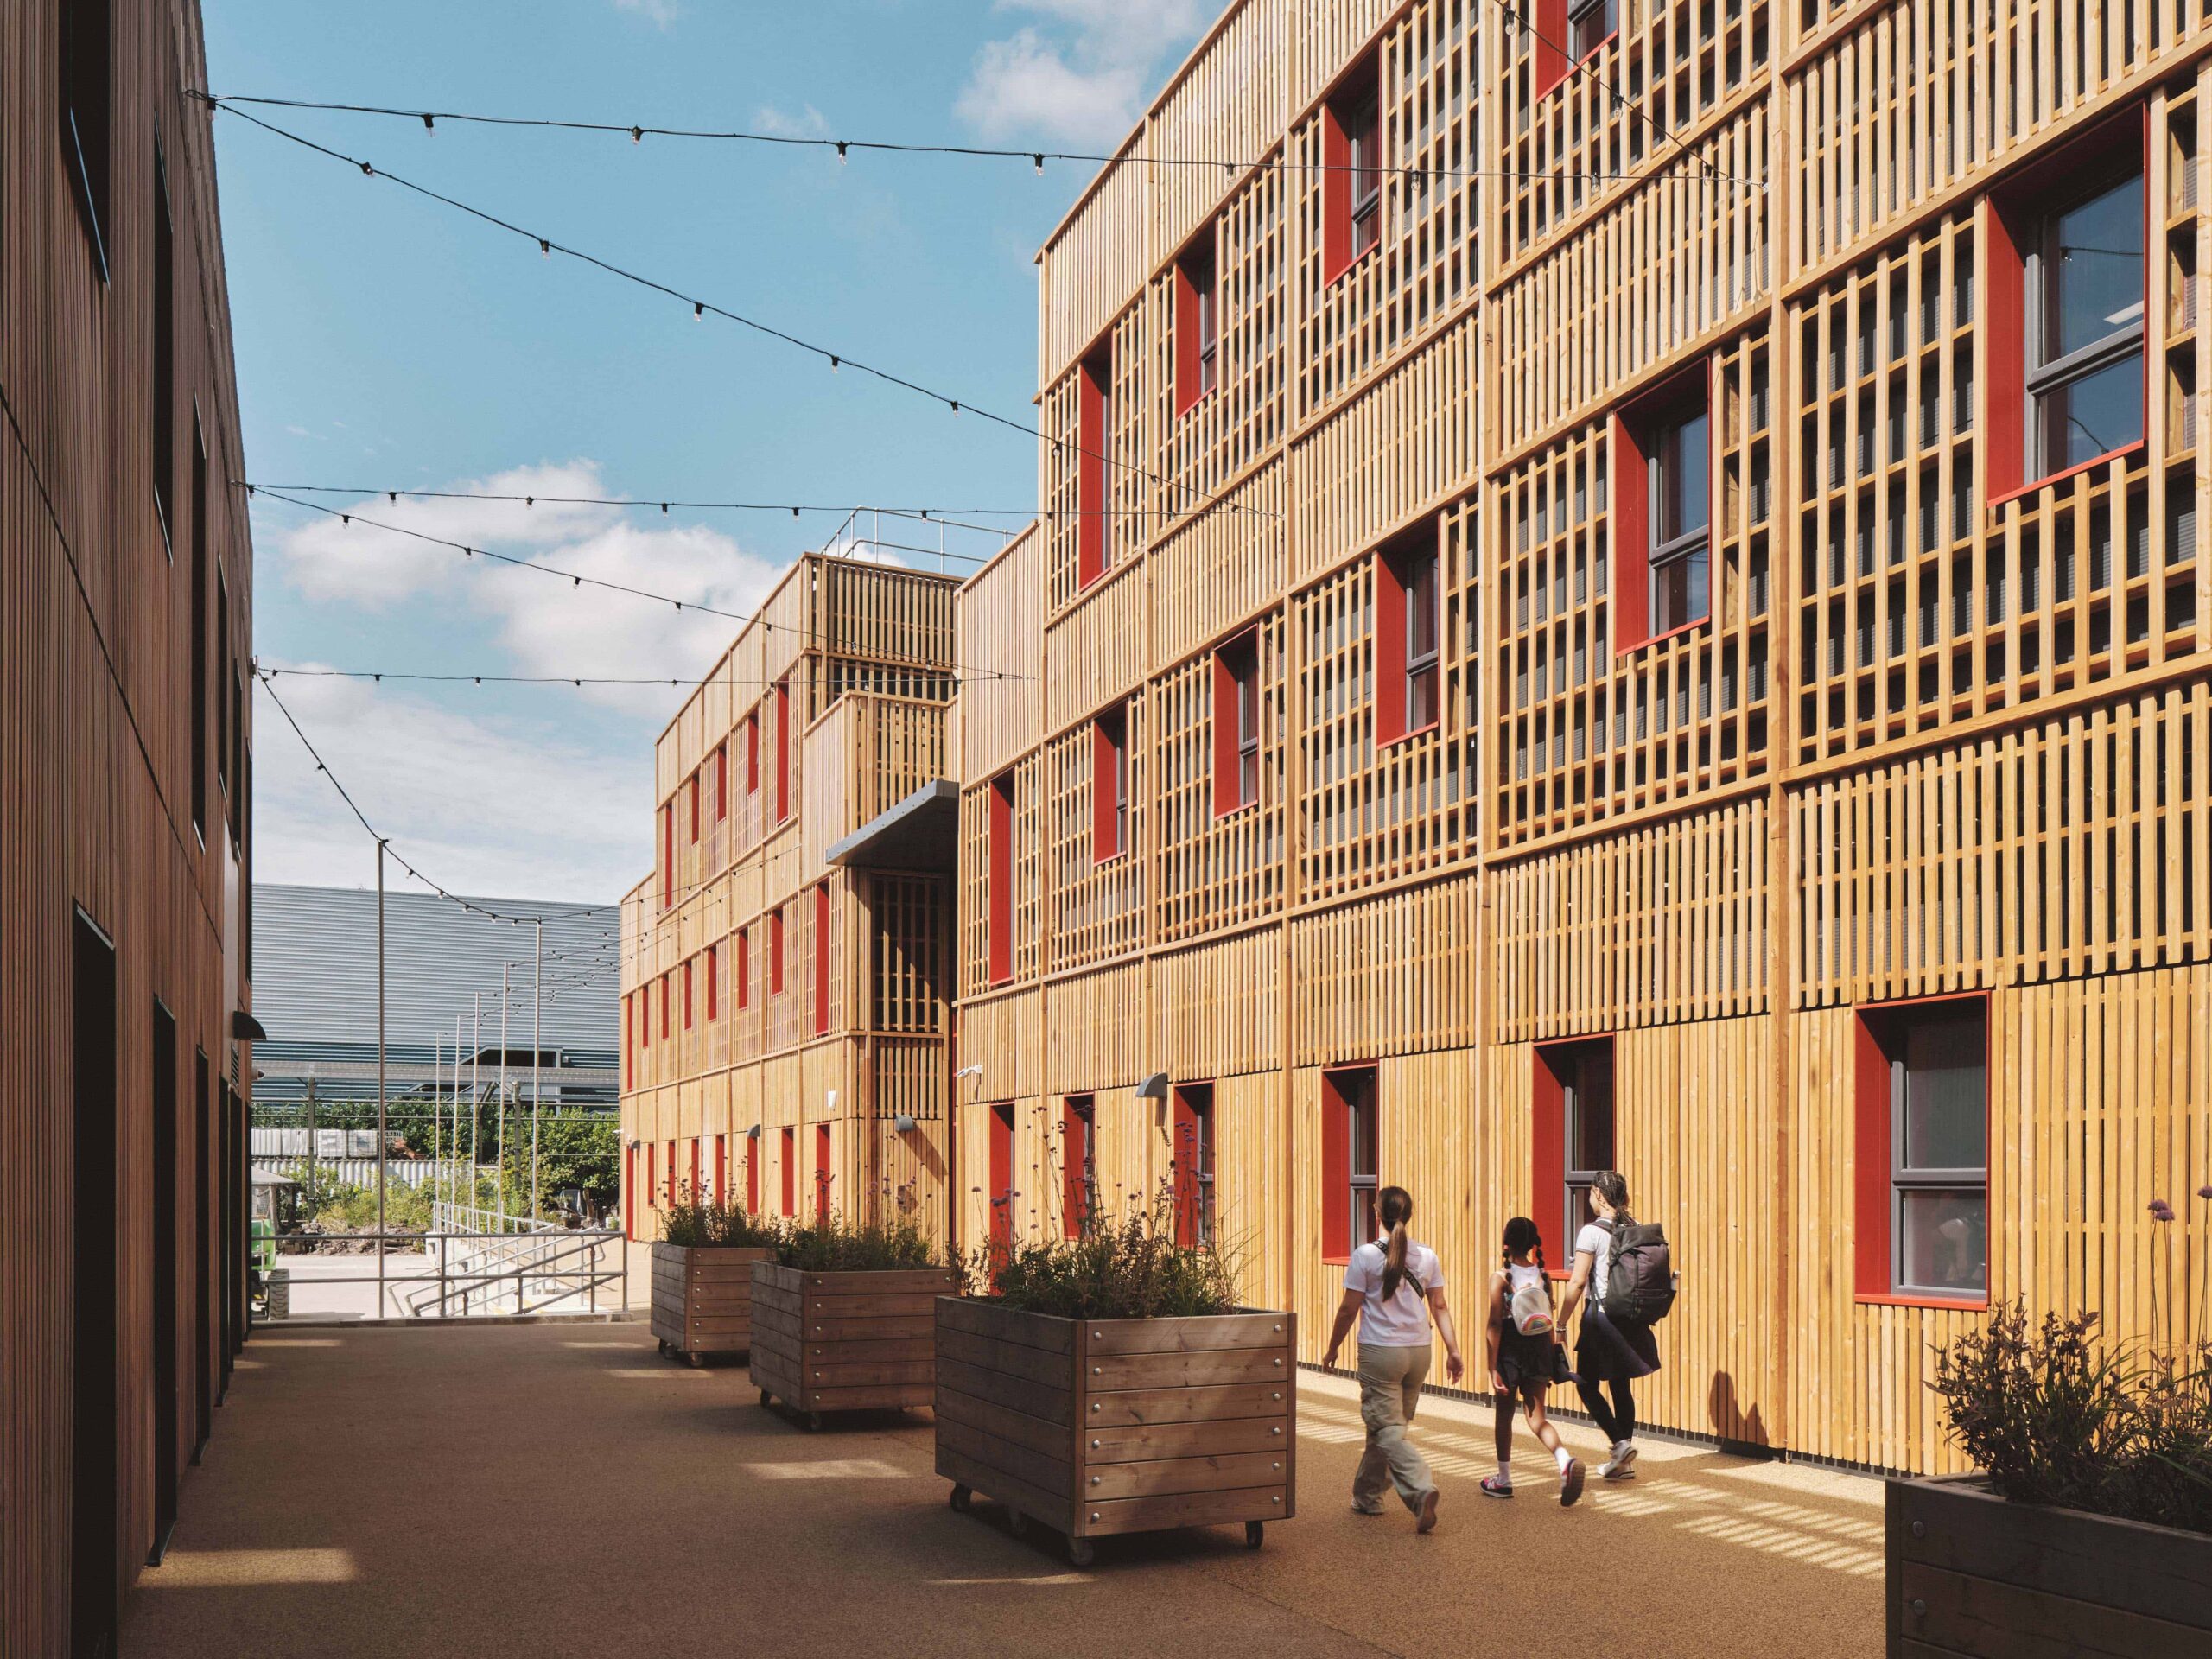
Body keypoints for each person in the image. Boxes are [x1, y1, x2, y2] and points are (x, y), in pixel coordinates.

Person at [1320, 1186, 1465, 1533]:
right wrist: (1453, 1350)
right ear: (1409, 1215)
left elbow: (1348, 1308)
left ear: (1376, 1214)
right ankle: (1367, 1496)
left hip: (1381, 1353)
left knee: (1387, 1430)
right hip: (1419, 1351)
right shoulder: (1427, 1256)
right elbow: (1439, 1305)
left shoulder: (1365, 1256)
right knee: (1389, 1428)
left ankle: (1420, 1488)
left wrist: (1332, 1347)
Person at [1554, 1170, 1660, 1479]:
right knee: (1620, 1385)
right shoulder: (1635, 1227)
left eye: (1591, 1192)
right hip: (1630, 1317)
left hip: (1601, 1319)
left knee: (1586, 1384)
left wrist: (1561, 1323)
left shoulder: (1591, 1232)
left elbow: (1577, 1282)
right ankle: (1623, 1464)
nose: (1590, 1197)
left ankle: (1620, 1445)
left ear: (1599, 1194)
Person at [1479, 1216, 1584, 1504]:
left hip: (1510, 1350)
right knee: (1537, 1418)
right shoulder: (1544, 1277)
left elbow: (1495, 1325)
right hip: (1539, 1349)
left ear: (1506, 1243)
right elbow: (1547, 1318)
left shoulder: (1500, 1278)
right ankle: (1564, 1460)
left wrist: (1492, 1366)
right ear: (1531, 1244)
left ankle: (1503, 1480)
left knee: (1504, 1414)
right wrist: (1551, 1355)